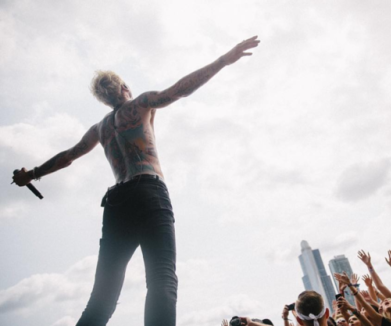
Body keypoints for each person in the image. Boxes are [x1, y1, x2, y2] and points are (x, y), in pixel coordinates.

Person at [12, 36, 260, 326]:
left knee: (102, 296)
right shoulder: (140, 104)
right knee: (161, 278)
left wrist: (33, 174)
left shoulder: (100, 129)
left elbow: (68, 156)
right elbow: (179, 90)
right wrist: (223, 61)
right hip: (148, 190)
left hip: (116, 202)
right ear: (124, 87)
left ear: (103, 99)